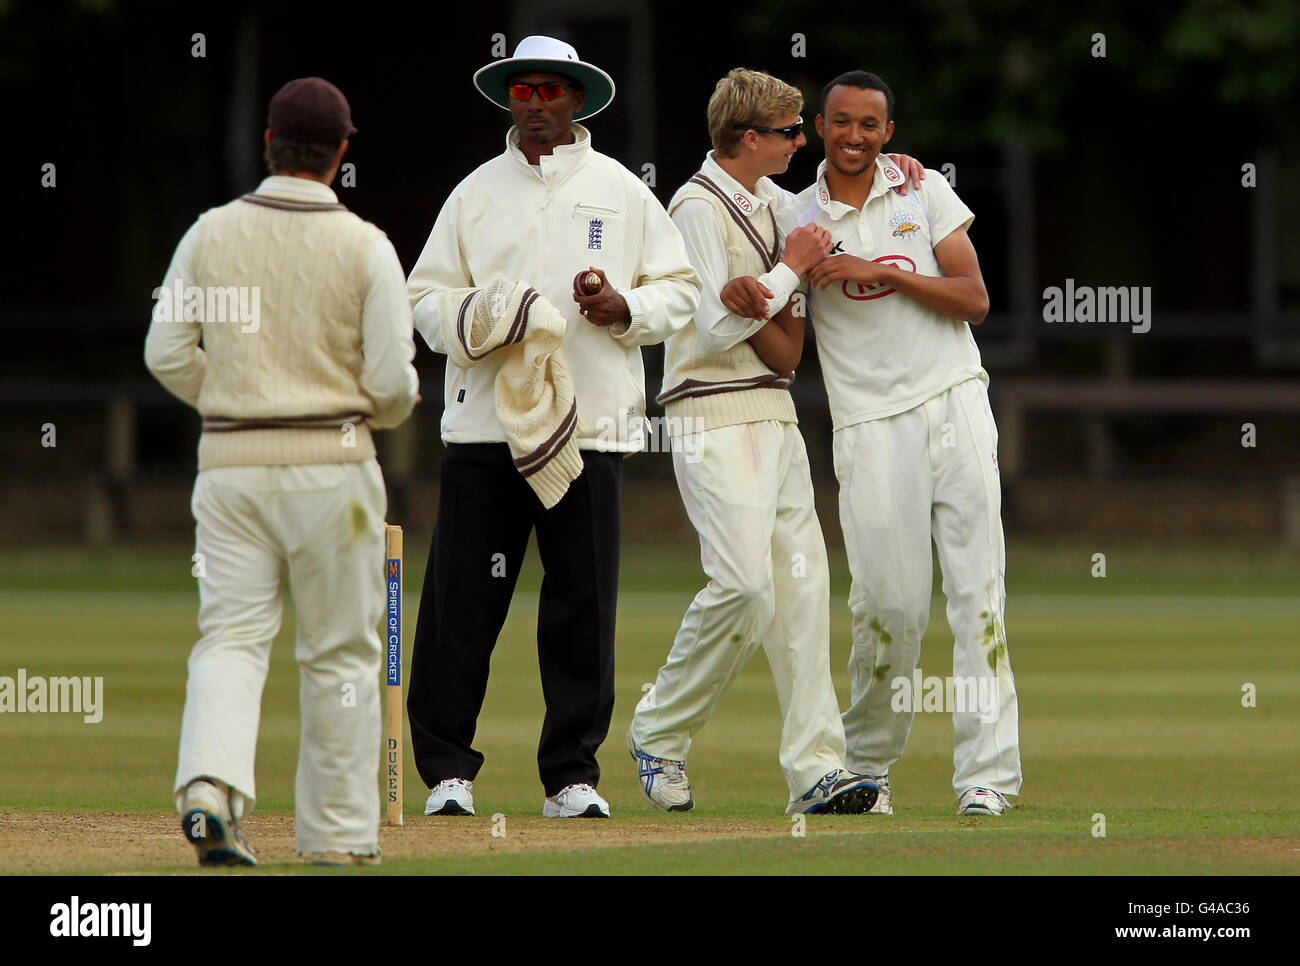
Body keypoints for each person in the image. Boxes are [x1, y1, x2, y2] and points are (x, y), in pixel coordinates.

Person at [406, 35, 699, 820]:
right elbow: (424, 302)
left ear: (578, 99)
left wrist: (624, 308)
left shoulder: (623, 191)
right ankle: (446, 773)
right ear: (511, 101)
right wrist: (481, 315)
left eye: (550, 92)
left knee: (581, 604)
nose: (536, 106)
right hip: (484, 432)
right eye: (523, 92)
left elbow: (680, 293)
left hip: (590, 427)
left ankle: (571, 776)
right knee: (462, 604)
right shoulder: (472, 192)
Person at [724, 70, 1022, 816]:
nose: (855, 136)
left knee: (978, 597)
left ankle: (985, 778)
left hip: (954, 403)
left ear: (889, 133)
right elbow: (785, 345)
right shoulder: (793, 213)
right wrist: (738, 302)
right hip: (867, 424)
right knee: (888, 607)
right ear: (819, 127)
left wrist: (875, 273)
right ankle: (869, 768)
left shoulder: (922, 192)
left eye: (871, 125)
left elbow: (975, 299)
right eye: (842, 122)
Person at [145, 77, 419, 865]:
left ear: (268, 144)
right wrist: (356, 412)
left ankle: (207, 789)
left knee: (230, 636)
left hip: (229, 467)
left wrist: (233, 401)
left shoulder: (208, 233)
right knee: (339, 651)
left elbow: (164, 353)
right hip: (333, 468)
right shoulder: (365, 245)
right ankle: (336, 839)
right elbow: (396, 387)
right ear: (340, 153)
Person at [625, 68, 884, 816]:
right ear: (748, 138)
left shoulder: (779, 205)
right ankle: (658, 729)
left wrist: (764, 291)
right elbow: (712, 325)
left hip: (774, 411)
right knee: (743, 586)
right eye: (791, 132)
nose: (805, 142)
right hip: (710, 411)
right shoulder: (694, 206)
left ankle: (816, 772)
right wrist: (786, 274)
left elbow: (785, 349)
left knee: (801, 595)